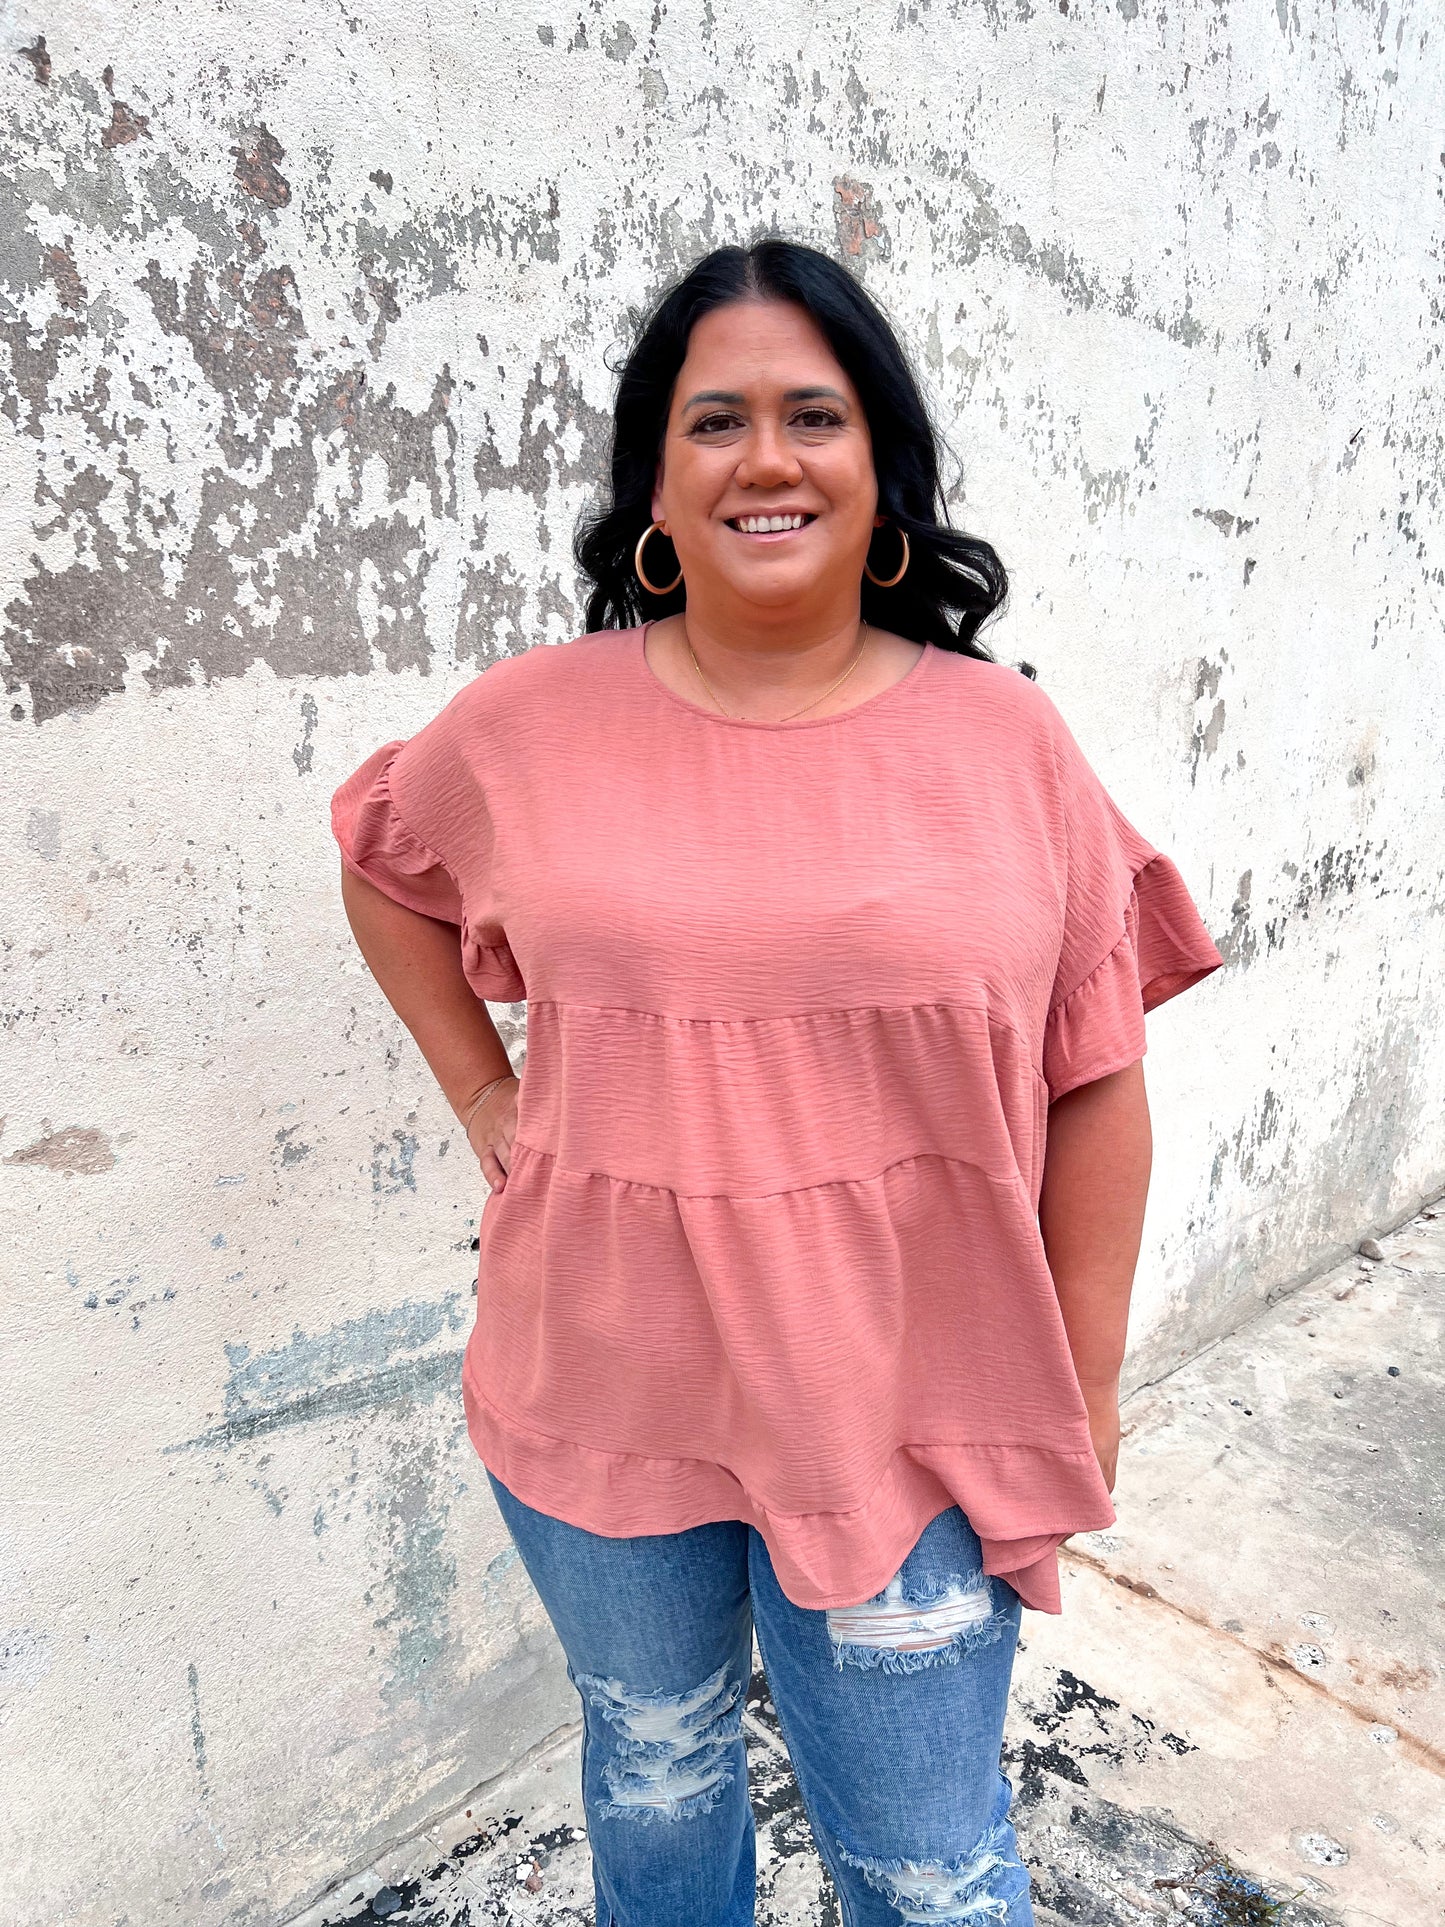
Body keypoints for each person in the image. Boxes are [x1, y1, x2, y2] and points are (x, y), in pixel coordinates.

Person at [332, 238, 1224, 1927]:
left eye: (812, 416)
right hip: (597, 1376)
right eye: (714, 419)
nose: (766, 458)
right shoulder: (525, 725)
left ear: (879, 465)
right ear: (654, 484)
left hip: (910, 1403)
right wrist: (482, 1097)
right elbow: (385, 865)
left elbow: (1095, 1074)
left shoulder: (1004, 745)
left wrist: (1085, 1387)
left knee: (928, 1861)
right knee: (655, 1783)